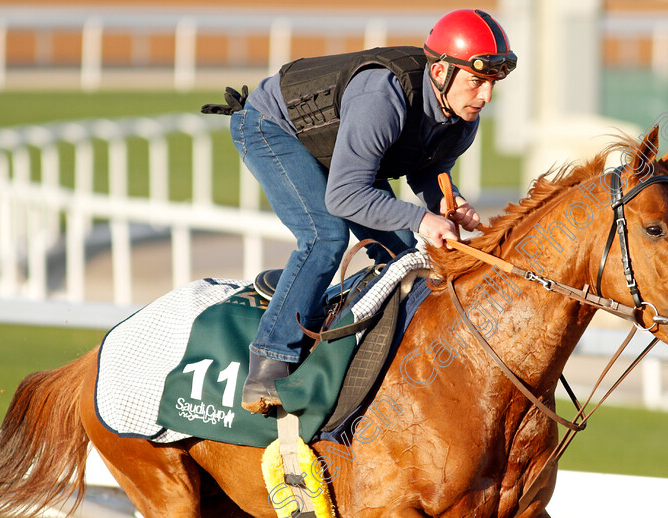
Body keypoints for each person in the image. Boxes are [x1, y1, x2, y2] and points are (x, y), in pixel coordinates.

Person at [212, 9, 516, 413]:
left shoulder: (461, 114)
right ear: (441, 72)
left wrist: (448, 201)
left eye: (493, 84)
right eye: (477, 82)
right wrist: (424, 218)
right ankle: (269, 360)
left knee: (404, 255)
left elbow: (428, 169)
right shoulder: (381, 96)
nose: (486, 97)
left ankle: (364, 344)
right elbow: (343, 196)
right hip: (274, 129)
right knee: (326, 236)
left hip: (341, 149)